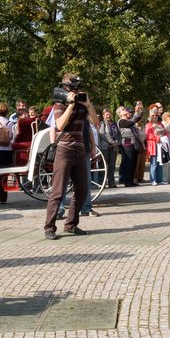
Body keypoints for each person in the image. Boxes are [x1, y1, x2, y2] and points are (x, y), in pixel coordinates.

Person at [43, 74, 97, 239]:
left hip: (80, 151)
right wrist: (70, 105)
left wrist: (88, 105)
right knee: (58, 191)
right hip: (64, 151)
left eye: (77, 88)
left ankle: (71, 225)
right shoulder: (59, 105)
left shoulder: (82, 105)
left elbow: (95, 122)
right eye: (73, 88)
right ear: (65, 89)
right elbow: (59, 125)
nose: (76, 91)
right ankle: (49, 227)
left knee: (81, 191)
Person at [98, 107, 119, 189]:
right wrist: (111, 141)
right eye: (106, 115)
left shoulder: (114, 123)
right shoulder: (102, 123)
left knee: (112, 166)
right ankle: (101, 183)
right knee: (103, 165)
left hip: (113, 148)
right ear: (103, 116)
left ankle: (111, 182)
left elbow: (118, 134)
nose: (108, 116)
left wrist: (117, 142)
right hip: (105, 147)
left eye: (109, 114)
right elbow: (102, 135)